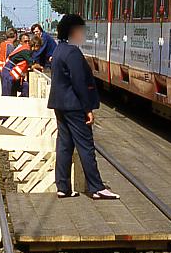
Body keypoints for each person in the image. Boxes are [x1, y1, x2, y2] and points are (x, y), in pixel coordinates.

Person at [47, 14, 119, 200]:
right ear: (73, 31)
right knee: (86, 146)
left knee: (64, 145)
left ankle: (63, 186)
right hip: (74, 106)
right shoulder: (72, 53)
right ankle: (96, 187)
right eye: (81, 30)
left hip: (59, 104)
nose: (83, 34)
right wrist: (87, 108)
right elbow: (79, 82)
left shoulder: (59, 50)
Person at [0, 28, 18, 94]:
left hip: (1, 69)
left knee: (4, 91)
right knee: (8, 92)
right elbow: (12, 59)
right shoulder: (10, 46)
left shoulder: (3, 44)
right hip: (7, 70)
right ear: (15, 35)